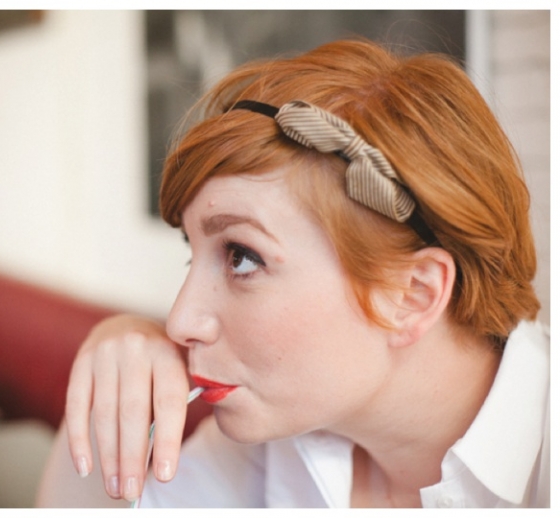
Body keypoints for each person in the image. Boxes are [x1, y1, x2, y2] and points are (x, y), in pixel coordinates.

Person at [36, 39, 549, 508]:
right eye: (195, 254)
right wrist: (112, 366)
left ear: (412, 293)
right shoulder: (274, 438)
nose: (179, 322)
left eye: (241, 256)